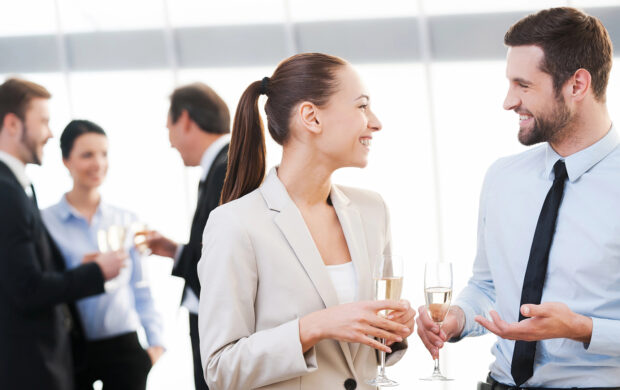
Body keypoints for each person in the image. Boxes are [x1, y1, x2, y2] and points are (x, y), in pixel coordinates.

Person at [416, 7, 620, 389]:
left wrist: (583, 328)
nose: (509, 101)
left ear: (577, 85)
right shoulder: (503, 178)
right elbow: (488, 286)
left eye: (523, 85)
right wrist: (458, 317)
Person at [197, 53, 416, 390]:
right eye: (361, 107)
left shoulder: (373, 210)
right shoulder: (236, 224)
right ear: (311, 117)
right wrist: (312, 327)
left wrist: (396, 333)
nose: (375, 122)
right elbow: (219, 370)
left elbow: (364, 357)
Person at [0, 78, 125, 390]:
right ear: (13, 124)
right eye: (43, 121)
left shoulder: (17, 187)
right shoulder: (5, 191)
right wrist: (96, 271)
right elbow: (27, 290)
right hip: (29, 369)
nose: (50, 133)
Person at [41, 119, 165, 390]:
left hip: (124, 348)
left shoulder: (126, 219)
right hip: (72, 349)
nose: (98, 163)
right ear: (66, 161)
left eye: (103, 154)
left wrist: (156, 344)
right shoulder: (45, 223)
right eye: (87, 155)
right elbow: (43, 286)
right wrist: (81, 273)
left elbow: (141, 287)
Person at [143, 82, 230, 390]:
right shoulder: (221, 165)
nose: (170, 142)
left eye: (170, 128)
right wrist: (175, 251)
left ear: (186, 120)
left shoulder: (226, 167)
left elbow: (224, 262)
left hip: (220, 327)